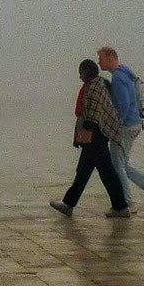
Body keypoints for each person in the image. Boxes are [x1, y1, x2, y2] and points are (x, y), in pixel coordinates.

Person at [50, 58, 131, 218]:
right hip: (96, 136)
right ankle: (71, 204)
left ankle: (120, 206)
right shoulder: (99, 84)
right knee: (88, 171)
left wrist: (85, 134)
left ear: (87, 72)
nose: (80, 77)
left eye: (81, 73)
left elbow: (93, 115)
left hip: (96, 136)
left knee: (100, 172)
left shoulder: (94, 88)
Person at [98, 45, 144, 211]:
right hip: (135, 124)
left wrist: (115, 126)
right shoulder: (125, 73)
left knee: (117, 165)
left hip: (126, 127)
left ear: (110, 57)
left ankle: (125, 203)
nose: (99, 62)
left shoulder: (118, 78)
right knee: (122, 164)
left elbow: (122, 106)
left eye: (101, 58)